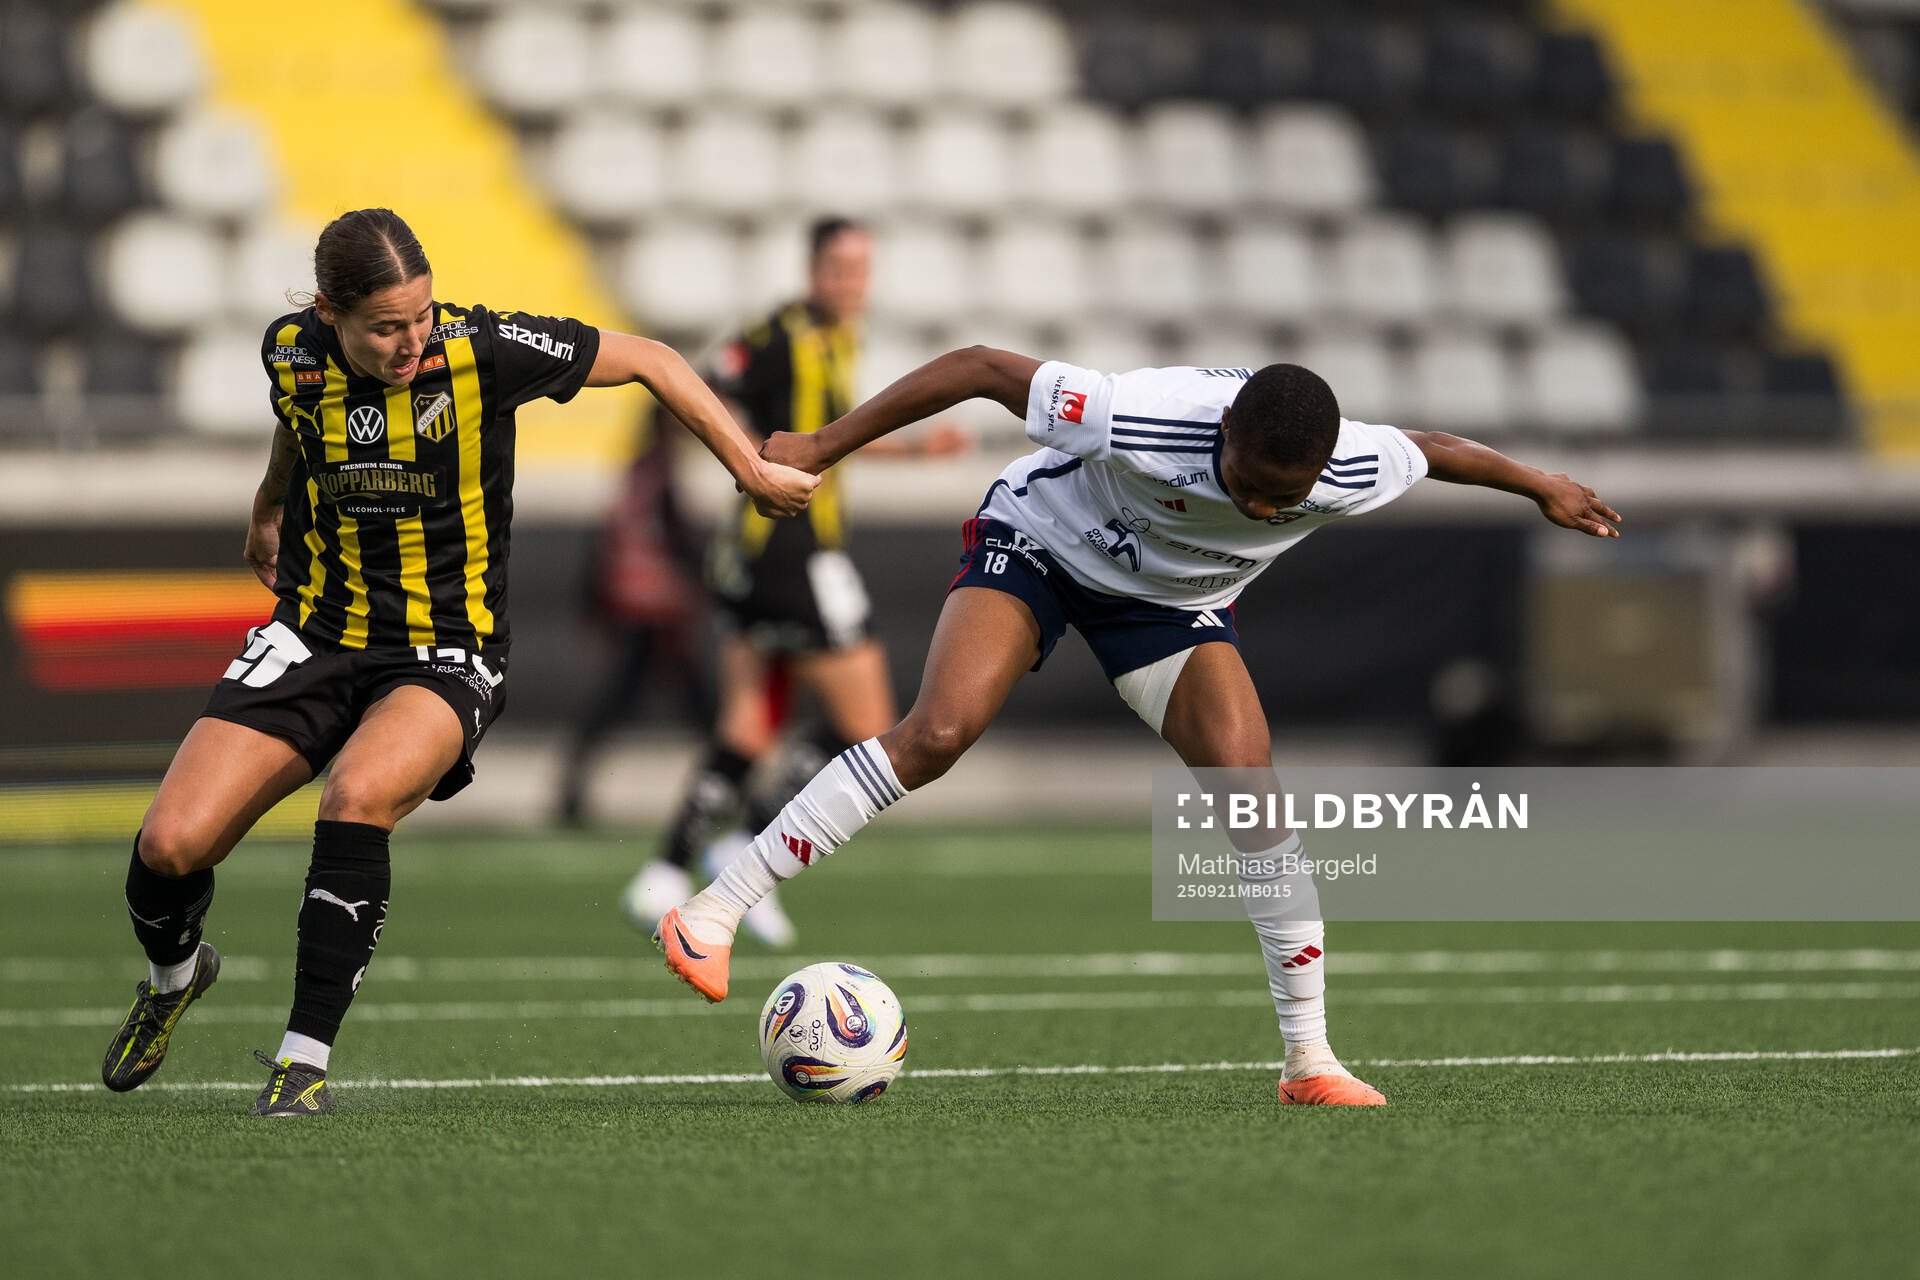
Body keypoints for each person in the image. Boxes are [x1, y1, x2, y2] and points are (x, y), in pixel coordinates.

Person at [654, 347, 1621, 1106]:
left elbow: (1435, 448)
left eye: (1283, 500)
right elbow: (982, 368)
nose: (1260, 506)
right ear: (1227, 430)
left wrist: (1541, 484)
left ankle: (1309, 1060)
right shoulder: (1139, 413)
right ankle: (714, 910)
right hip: (1043, 544)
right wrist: (823, 444)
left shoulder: (1350, 464)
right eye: (1247, 482)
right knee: (938, 733)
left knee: (1256, 800)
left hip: (1169, 604)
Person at [100, 207, 816, 1116]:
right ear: (328, 314)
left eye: (421, 316)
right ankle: (173, 979)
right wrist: (267, 505)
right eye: (385, 327)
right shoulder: (290, 351)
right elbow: (299, 426)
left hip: (446, 649)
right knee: (168, 846)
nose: (410, 342)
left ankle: (301, 1063)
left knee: (356, 797)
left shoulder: (482, 350)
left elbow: (654, 360)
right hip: (316, 631)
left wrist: (748, 469)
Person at [621, 216, 965, 947]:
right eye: (841, 268)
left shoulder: (835, 340)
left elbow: (825, 441)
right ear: (813, 271)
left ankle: (665, 869)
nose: (853, 283)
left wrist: (914, 453)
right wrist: (750, 465)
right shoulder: (779, 336)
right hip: (791, 551)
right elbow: (701, 391)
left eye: (862, 269)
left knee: (748, 724)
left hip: (761, 557)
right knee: (869, 725)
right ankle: (746, 848)